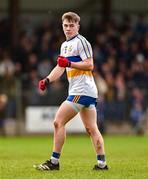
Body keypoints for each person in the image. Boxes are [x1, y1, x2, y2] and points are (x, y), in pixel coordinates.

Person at [35, 12, 108, 171]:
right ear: (62, 26)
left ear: (78, 26)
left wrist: (69, 63)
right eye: (65, 25)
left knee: (58, 122)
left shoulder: (82, 42)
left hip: (81, 91)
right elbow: (61, 66)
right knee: (91, 128)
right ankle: (102, 164)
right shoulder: (64, 45)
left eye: (71, 25)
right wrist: (47, 80)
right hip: (86, 91)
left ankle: (54, 162)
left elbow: (90, 65)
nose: (68, 28)